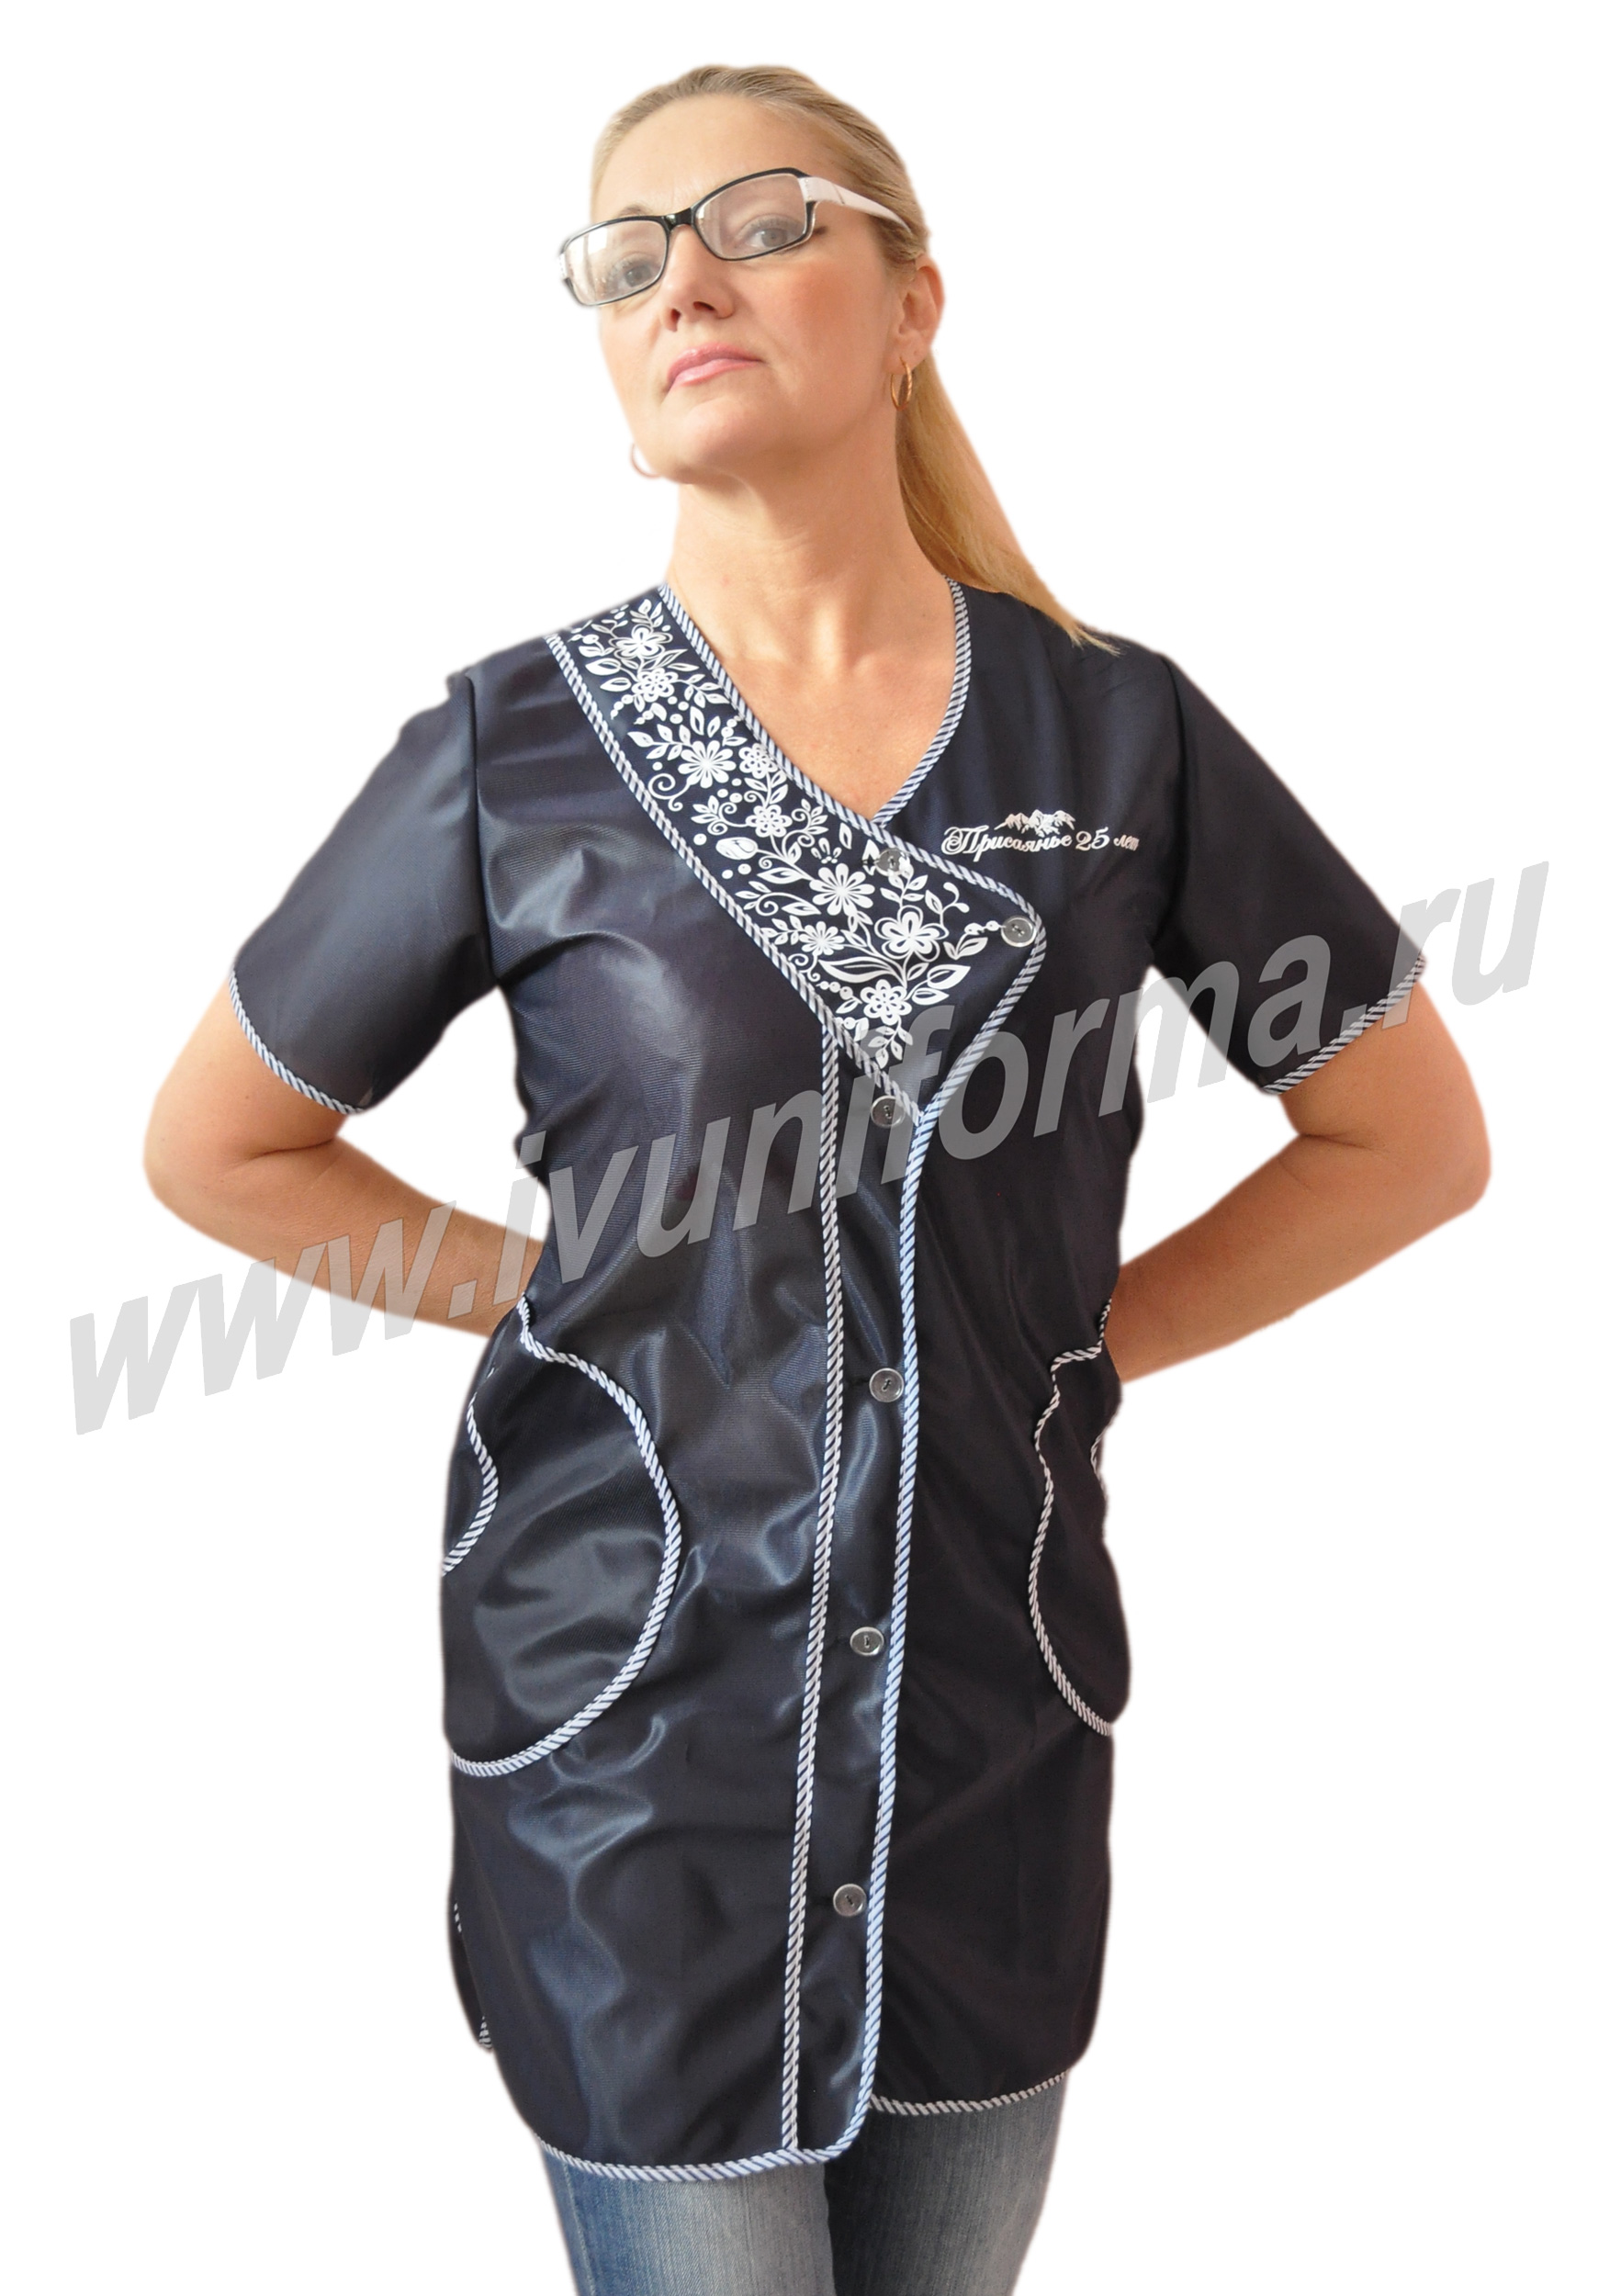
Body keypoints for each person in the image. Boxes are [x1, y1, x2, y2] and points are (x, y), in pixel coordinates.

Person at [144, 61, 1489, 2296]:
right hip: (635, 1737)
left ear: (911, 304)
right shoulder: (514, 751)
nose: (684, 281)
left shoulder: (1116, 731)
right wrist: (566, 1301)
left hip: (984, 1711)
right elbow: (222, 1144)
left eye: (762, 223)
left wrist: (1080, 1344)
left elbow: (1405, 1133)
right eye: (626, 258)